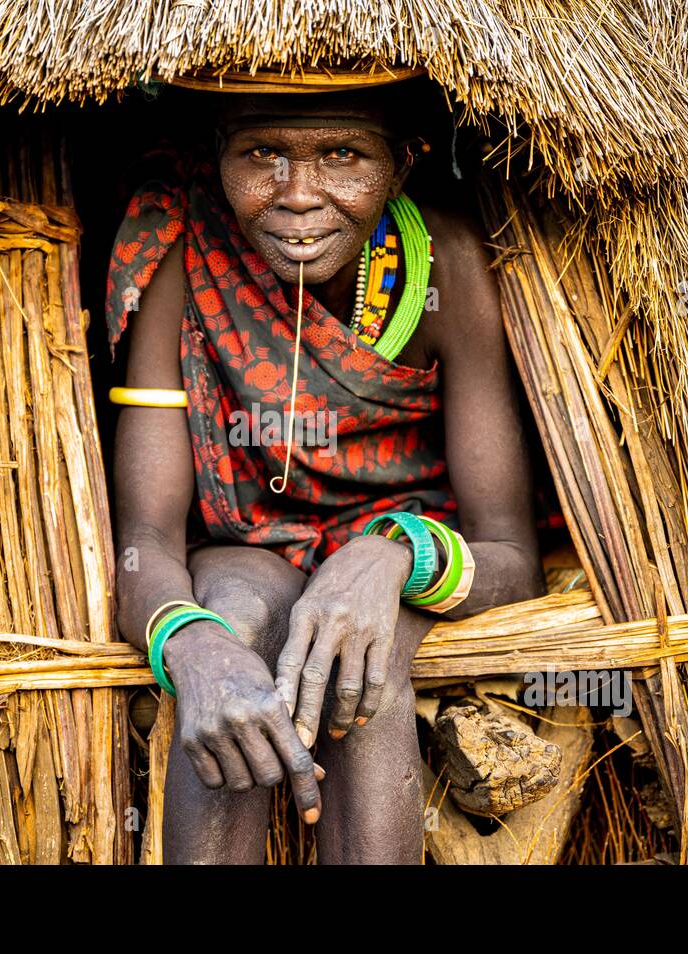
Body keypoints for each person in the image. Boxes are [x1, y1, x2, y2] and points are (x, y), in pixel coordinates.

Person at [104, 82, 544, 864]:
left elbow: (510, 554)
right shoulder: (182, 249)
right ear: (218, 153)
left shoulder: (448, 271)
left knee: (354, 651)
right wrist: (191, 647)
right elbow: (144, 540)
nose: (299, 195)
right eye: (262, 155)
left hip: (405, 541)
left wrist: (392, 557)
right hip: (244, 544)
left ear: (403, 165)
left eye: (343, 155)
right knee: (237, 615)